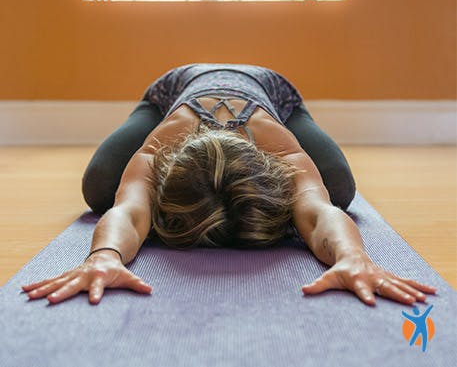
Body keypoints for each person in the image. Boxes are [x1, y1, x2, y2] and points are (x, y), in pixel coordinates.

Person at [21, 63, 437, 306]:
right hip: (175, 88)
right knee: (100, 187)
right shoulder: (165, 140)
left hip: (270, 89)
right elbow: (129, 211)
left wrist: (352, 256)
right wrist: (104, 256)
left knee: (338, 190)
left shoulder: (276, 142)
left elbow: (317, 210)